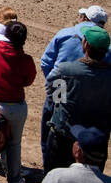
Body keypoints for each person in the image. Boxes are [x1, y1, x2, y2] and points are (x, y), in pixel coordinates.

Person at [44, 23, 111, 171]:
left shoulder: (65, 69)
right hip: (96, 142)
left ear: (85, 44)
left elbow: (54, 96)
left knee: (55, 178)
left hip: (64, 136)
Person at [0, 21, 36, 183]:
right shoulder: (25, 60)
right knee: (13, 144)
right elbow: (28, 81)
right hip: (14, 106)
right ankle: (14, 180)